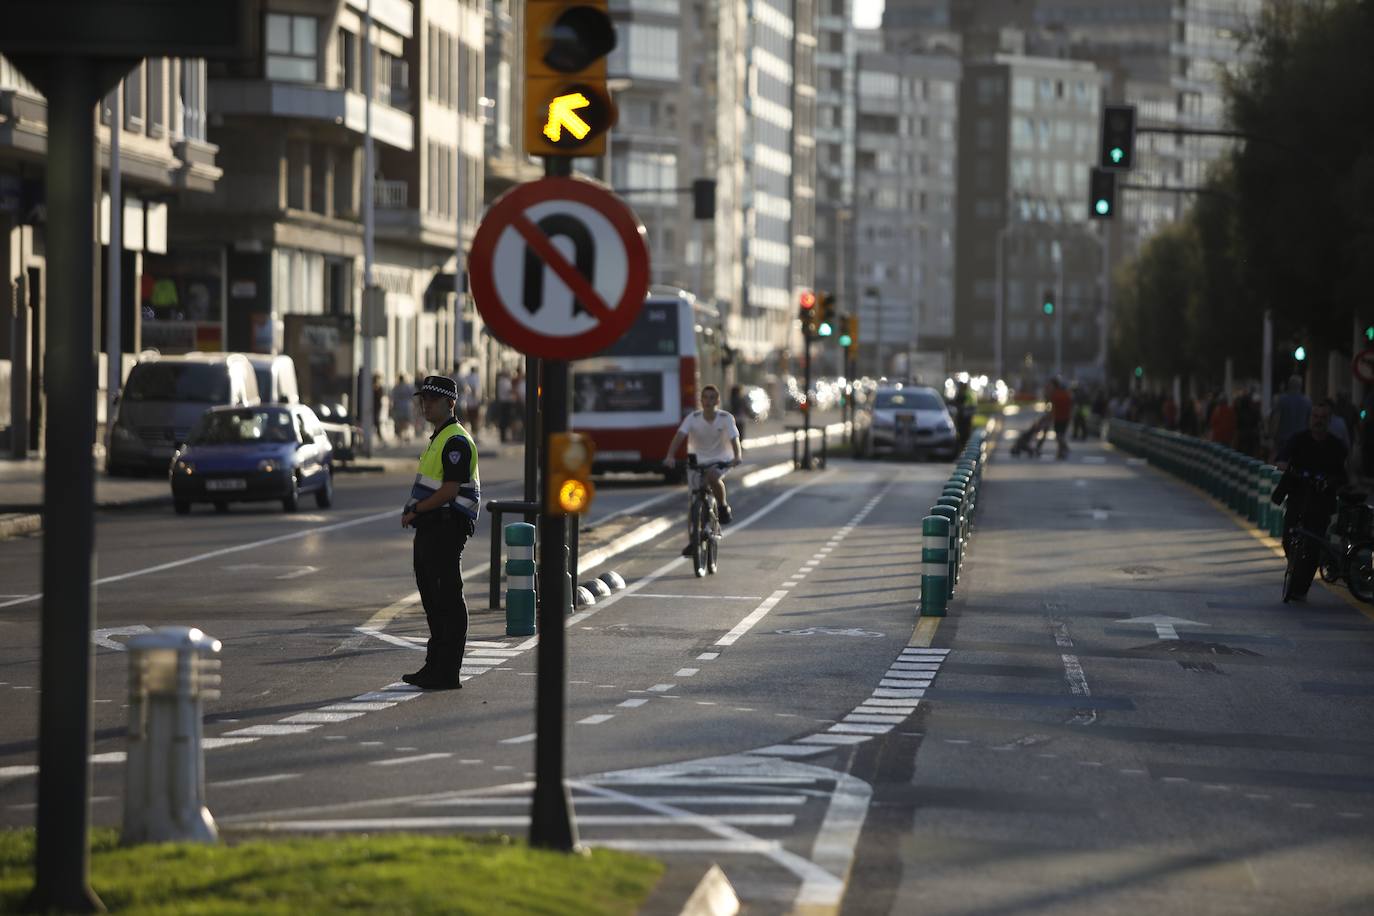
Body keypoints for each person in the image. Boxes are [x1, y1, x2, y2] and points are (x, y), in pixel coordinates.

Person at [400, 375, 481, 690]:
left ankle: (447, 671)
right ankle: (434, 666)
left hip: (446, 527)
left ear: (451, 403)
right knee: (433, 599)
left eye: (432, 400)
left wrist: (417, 509)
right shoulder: (440, 437)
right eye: (424, 399)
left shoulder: (455, 441)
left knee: (446, 599)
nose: (426, 405)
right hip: (432, 527)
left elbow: (449, 490)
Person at [1273, 400, 1347, 597]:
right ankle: (1294, 565)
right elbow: (1280, 460)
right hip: (1298, 496)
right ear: (1309, 418)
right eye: (1315, 417)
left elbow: (1343, 476)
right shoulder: (1298, 440)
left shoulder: (1335, 446)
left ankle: (1302, 583)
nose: (1319, 421)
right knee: (1288, 539)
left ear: (1329, 420)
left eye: (1323, 418)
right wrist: (1288, 469)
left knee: (1314, 545)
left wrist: (1329, 481)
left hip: (1321, 502)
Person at [663, 384, 743, 554]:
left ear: (718, 401)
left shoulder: (725, 418)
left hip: (721, 459)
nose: (708, 401)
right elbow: (679, 436)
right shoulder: (693, 418)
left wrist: (737, 456)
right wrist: (670, 455)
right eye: (705, 397)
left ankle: (722, 506)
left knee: (713, 478)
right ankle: (694, 539)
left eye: (712, 397)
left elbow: (734, 439)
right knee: (694, 502)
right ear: (701, 400)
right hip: (697, 460)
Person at [1269, 376, 1311, 460]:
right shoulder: (1307, 401)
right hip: (1301, 441)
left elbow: (1275, 420)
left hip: (1283, 440)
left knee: (1281, 464)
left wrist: (1272, 436)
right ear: (1301, 386)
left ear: (1289, 385)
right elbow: (1309, 422)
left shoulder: (1281, 400)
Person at [1048, 377, 1073, 460]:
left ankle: (1064, 448)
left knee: (1059, 436)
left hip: (1058, 418)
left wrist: (1050, 416)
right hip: (1065, 417)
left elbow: (1052, 407)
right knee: (1061, 435)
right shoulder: (1067, 394)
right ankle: (1060, 452)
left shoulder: (1055, 394)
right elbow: (1071, 406)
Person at [389, 374, 415, 442]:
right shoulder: (407, 386)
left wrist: (393, 406)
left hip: (399, 406)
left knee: (400, 422)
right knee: (406, 421)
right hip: (407, 406)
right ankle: (406, 435)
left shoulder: (396, 387)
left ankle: (402, 436)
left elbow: (393, 397)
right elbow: (412, 395)